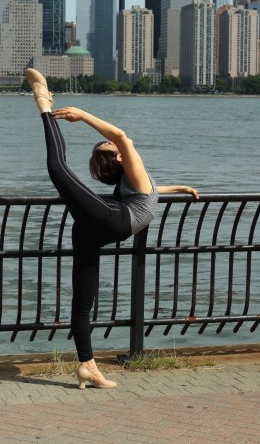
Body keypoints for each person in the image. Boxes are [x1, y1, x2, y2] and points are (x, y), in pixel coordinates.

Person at [25, 69, 199, 390]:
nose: (113, 142)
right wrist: (82, 115)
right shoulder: (131, 174)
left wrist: (181, 188)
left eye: (105, 144)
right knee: (58, 169)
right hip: (112, 222)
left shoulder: (135, 179)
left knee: (83, 303)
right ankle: (44, 105)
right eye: (110, 146)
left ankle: (87, 367)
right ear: (119, 157)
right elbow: (122, 136)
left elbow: (150, 190)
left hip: (98, 227)